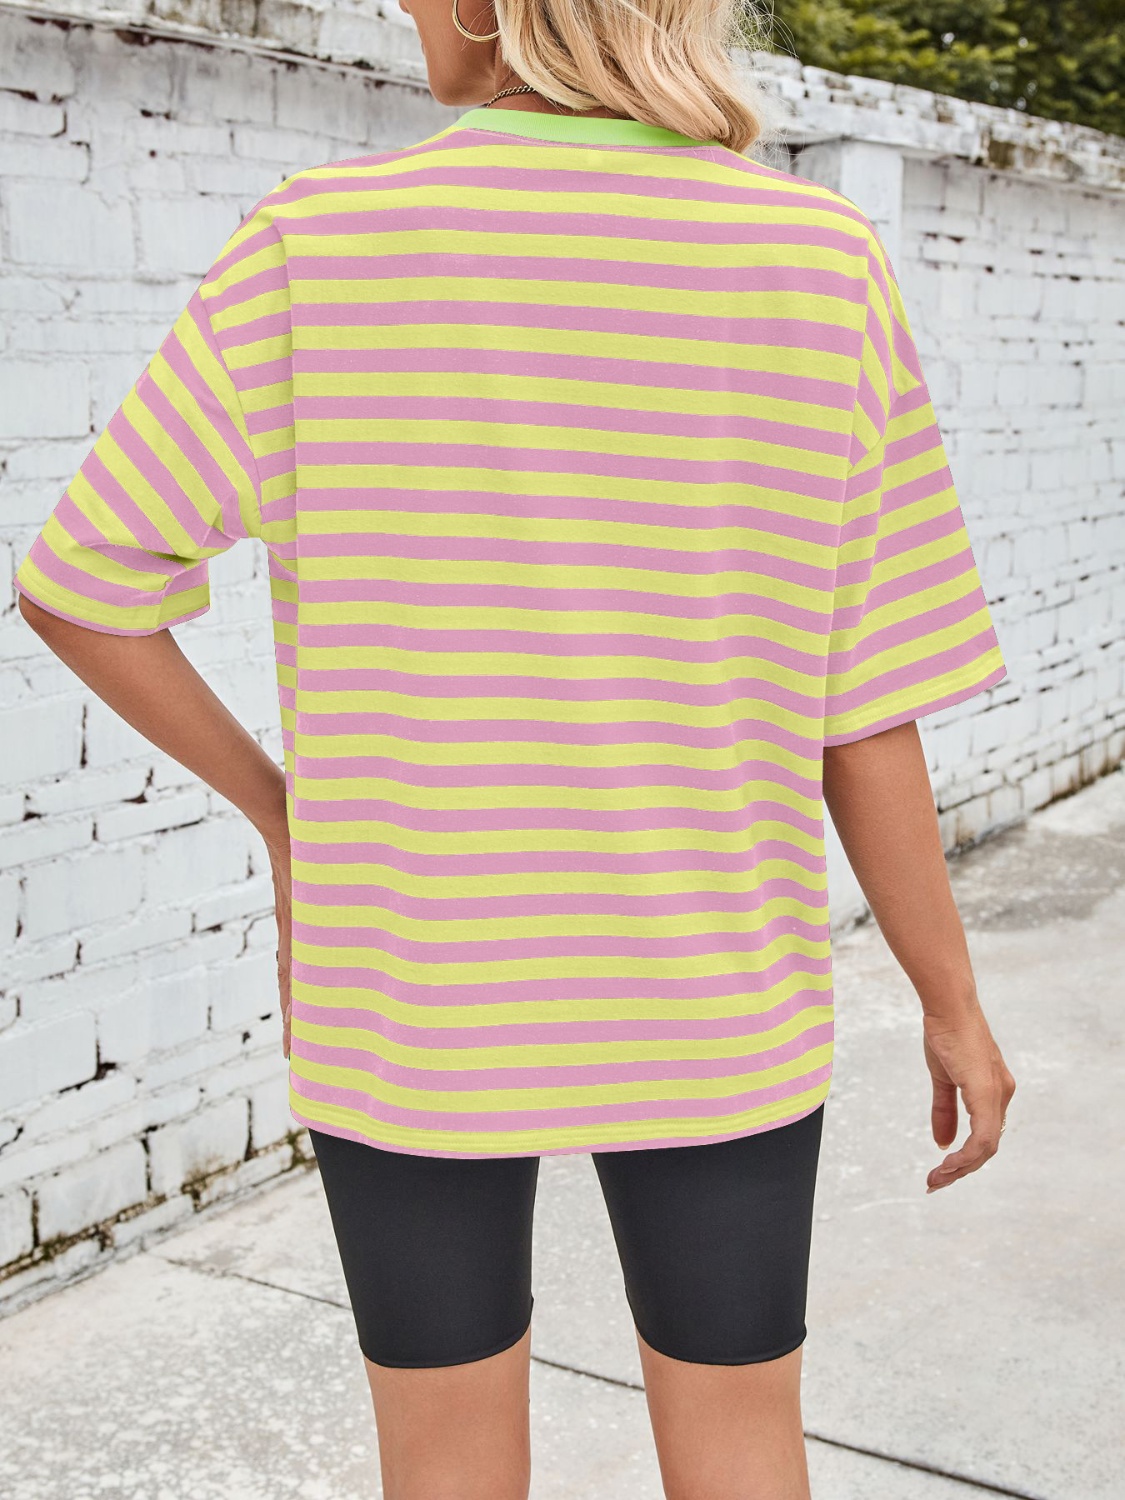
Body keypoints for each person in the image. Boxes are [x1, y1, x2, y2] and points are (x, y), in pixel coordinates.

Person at [14, 0, 1018, 1495]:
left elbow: (82, 582)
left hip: (410, 985)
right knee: (743, 1438)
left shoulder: (319, 246)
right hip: (713, 990)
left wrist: (290, 821)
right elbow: (864, 700)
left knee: (443, 1460)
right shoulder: (818, 259)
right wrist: (951, 1001)